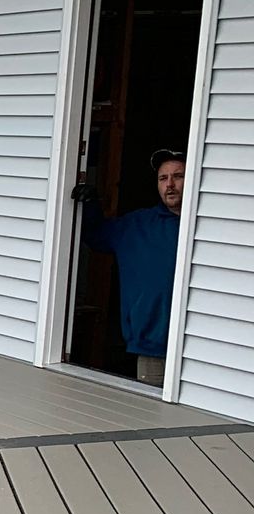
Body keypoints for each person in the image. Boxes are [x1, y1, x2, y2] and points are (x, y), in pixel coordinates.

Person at [73, 148, 184, 386]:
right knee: (153, 417)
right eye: (163, 178)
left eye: (178, 176)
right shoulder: (138, 225)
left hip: (202, 349)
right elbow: (97, 236)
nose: (170, 184)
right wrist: (90, 204)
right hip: (152, 347)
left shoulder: (209, 226)